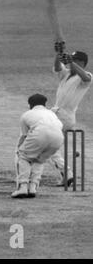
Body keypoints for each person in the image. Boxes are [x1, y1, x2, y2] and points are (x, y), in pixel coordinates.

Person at [46, 44, 92, 186]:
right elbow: (58, 67)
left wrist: (70, 62)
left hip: (64, 116)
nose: (70, 62)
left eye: (74, 60)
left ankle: (67, 173)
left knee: (48, 146)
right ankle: (66, 174)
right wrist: (59, 54)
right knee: (53, 146)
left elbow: (85, 77)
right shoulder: (66, 74)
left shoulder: (87, 77)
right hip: (57, 114)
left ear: (82, 63)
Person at [12, 94, 64, 198]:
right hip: (59, 137)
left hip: (40, 134)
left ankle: (22, 187)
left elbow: (24, 136)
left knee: (23, 156)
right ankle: (33, 187)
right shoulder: (51, 113)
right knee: (40, 159)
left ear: (30, 105)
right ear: (45, 104)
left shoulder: (26, 114)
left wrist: (18, 149)